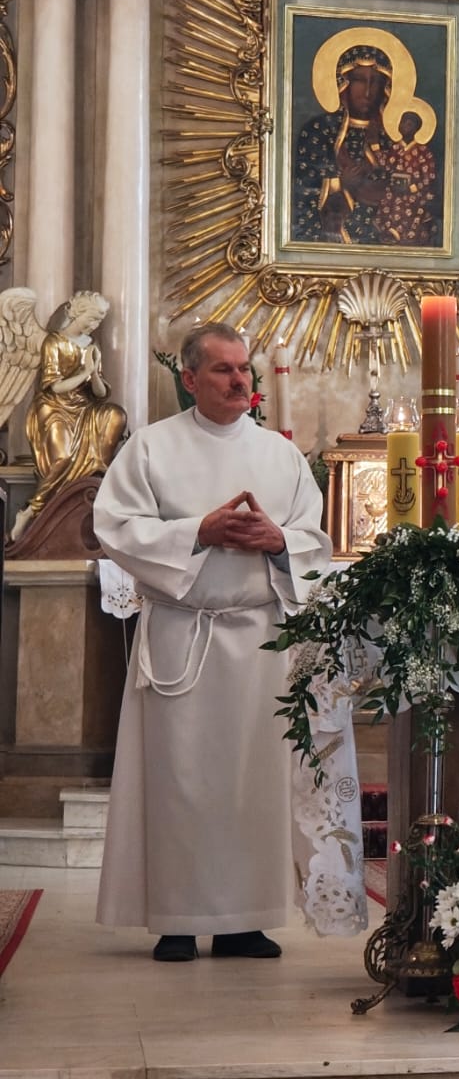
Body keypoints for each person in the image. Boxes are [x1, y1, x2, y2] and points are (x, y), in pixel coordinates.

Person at [93, 324, 331, 962]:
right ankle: (176, 919)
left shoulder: (280, 455)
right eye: (223, 370)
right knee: (180, 779)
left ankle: (243, 922)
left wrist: (278, 542)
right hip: (182, 633)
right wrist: (197, 532)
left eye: (244, 368)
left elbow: (314, 540)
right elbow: (114, 525)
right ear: (190, 379)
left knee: (251, 781)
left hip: (259, 642)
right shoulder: (151, 447)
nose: (239, 380)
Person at [13, 292, 127, 537]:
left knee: (116, 415)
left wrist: (93, 373)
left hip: (84, 407)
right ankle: (31, 511)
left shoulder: (91, 345)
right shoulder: (54, 342)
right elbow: (55, 387)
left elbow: (99, 394)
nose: (94, 324)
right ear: (77, 313)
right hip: (54, 407)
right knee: (63, 457)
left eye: (99, 320)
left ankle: (94, 481)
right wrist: (84, 371)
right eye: (92, 318)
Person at [292, 43, 397, 245]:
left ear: (385, 88)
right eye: (359, 80)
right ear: (343, 84)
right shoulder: (318, 130)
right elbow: (303, 190)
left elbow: (399, 188)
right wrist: (339, 183)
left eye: (375, 82)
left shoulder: (389, 137)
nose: (367, 91)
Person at [376, 110, 438, 246]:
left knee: (410, 209)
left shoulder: (423, 151)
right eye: (403, 123)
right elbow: (386, 166)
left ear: (416, 129)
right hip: (394, 191)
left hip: (414, 193)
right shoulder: (395, 148)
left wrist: (412, 188)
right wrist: (376, 148)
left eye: (409, 124)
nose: (405, 126)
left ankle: (406, 239)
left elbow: (429, 176)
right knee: (387, 204)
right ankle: (389, 235)